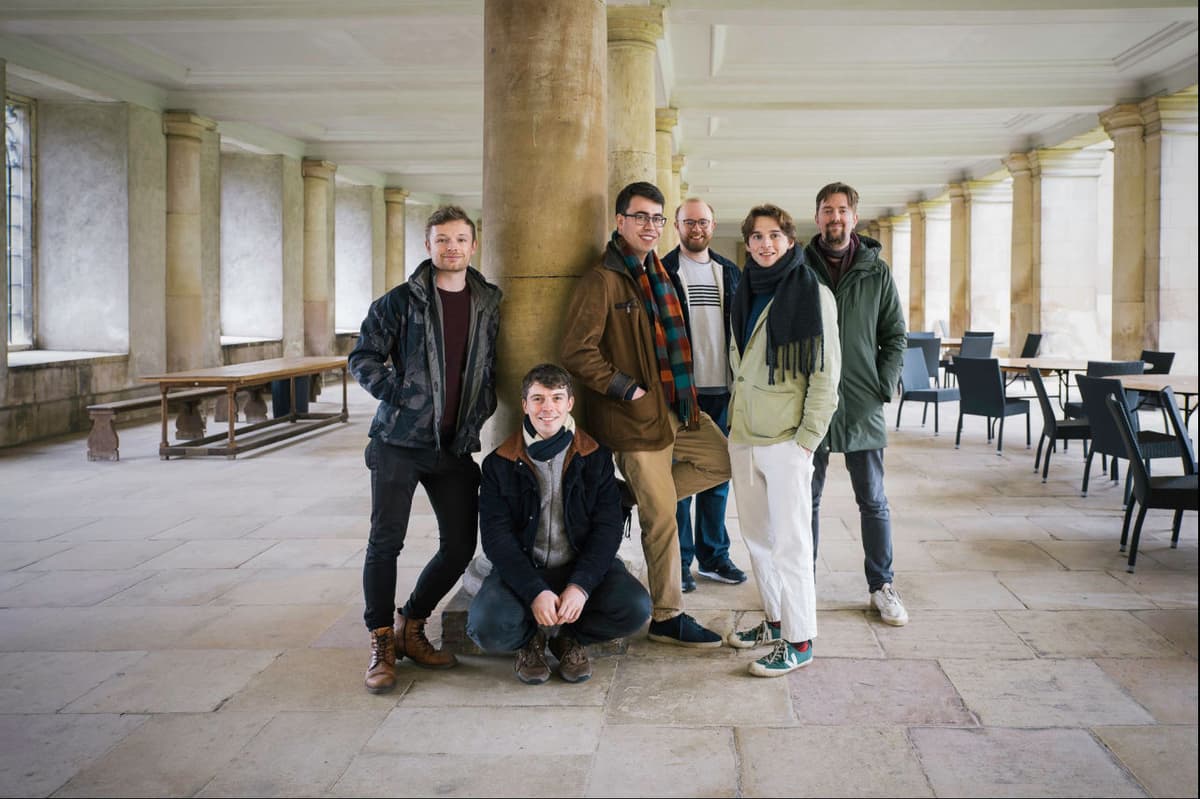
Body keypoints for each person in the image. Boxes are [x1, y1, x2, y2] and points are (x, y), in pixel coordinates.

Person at [561, 181, 731, 648]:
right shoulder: (603, 279)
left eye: (658, 218)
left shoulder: (658, 272)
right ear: (620, 222)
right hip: (636, 419)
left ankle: (628, 495)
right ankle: (667, 616)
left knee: (722, 461)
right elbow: (576, 351)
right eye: (641, 217)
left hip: (677, 405)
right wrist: (625, 387)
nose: (651, 226)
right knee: (665, 521)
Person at [349, 204, 502, 693]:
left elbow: (489, 363)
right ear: (428, 246)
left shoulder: (488, 301)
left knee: (460, 543)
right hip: (398, 440)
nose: (451, 247)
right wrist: (401, 393)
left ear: (473, 245)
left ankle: (411, 624)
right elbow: (363, 356)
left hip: (453, 445)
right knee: (385, 542)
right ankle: (380, 641)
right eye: (442, 240)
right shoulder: (400, 301)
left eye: (460, 239)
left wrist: (481, 408)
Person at [467, 364, 652, 684]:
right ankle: (530, 641)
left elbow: (607, 529)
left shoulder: (594, 456)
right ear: (524, 405)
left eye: (556, 397)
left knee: (634, 607)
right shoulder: (499, 463)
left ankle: (568, 637)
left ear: (570, 403)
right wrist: (534, 590)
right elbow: (497, 538)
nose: (547, 408)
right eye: (538, 399)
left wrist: (580, 586)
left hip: (578, 563)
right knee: (486, 627)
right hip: (526, 568)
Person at [724, 204, 841, 676]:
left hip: (787, 440)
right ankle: (775, 620)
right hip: (745, 435)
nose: (765, 244)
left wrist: (806, 441)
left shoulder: (813, 293)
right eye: (756, 236)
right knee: (757, 539)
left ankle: (800, 639)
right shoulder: (745, 290)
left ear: (790, 241)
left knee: (791, 543)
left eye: (775, 236)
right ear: (748, 242)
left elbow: (826, 374)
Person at [804, 182, 909, 626]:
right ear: (817, 218)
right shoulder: (800, 268)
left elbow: (895, 335)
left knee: (873, 500)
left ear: (854, 218)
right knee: (805, 501)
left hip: (863, 402)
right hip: (811, 404)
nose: (835, 218)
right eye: (827, 210)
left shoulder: (876, 272)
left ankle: (881, 586)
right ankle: (801, 585)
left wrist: (883, 386)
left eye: (842, 211)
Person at [663, 197, 748, 593]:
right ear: (676, 225)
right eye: (689, 222)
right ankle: (679, 562)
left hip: (723, 392)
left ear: (713, 226)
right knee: (680, 480)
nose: (697, 228)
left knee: (718, 478)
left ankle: (714, 556)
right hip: (681, 395)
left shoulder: (730, 272)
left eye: (704, 222)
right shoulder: (661, 272)